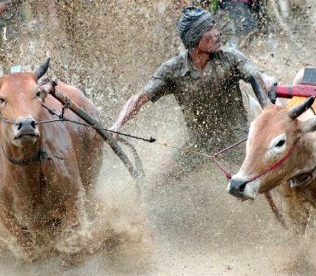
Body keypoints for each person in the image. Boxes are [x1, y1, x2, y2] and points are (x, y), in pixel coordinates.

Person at [110, 7, 275, 181]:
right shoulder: (172, 69)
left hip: (237, 140)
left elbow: (259, 78)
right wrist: (117, 126)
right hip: (199, 144)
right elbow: (138, 99)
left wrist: (269, 83)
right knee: (159, 183)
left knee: (268, 172)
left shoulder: (230, 58)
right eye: (209, 30)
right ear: (195, 39)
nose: (217, 33)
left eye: (214, 27)